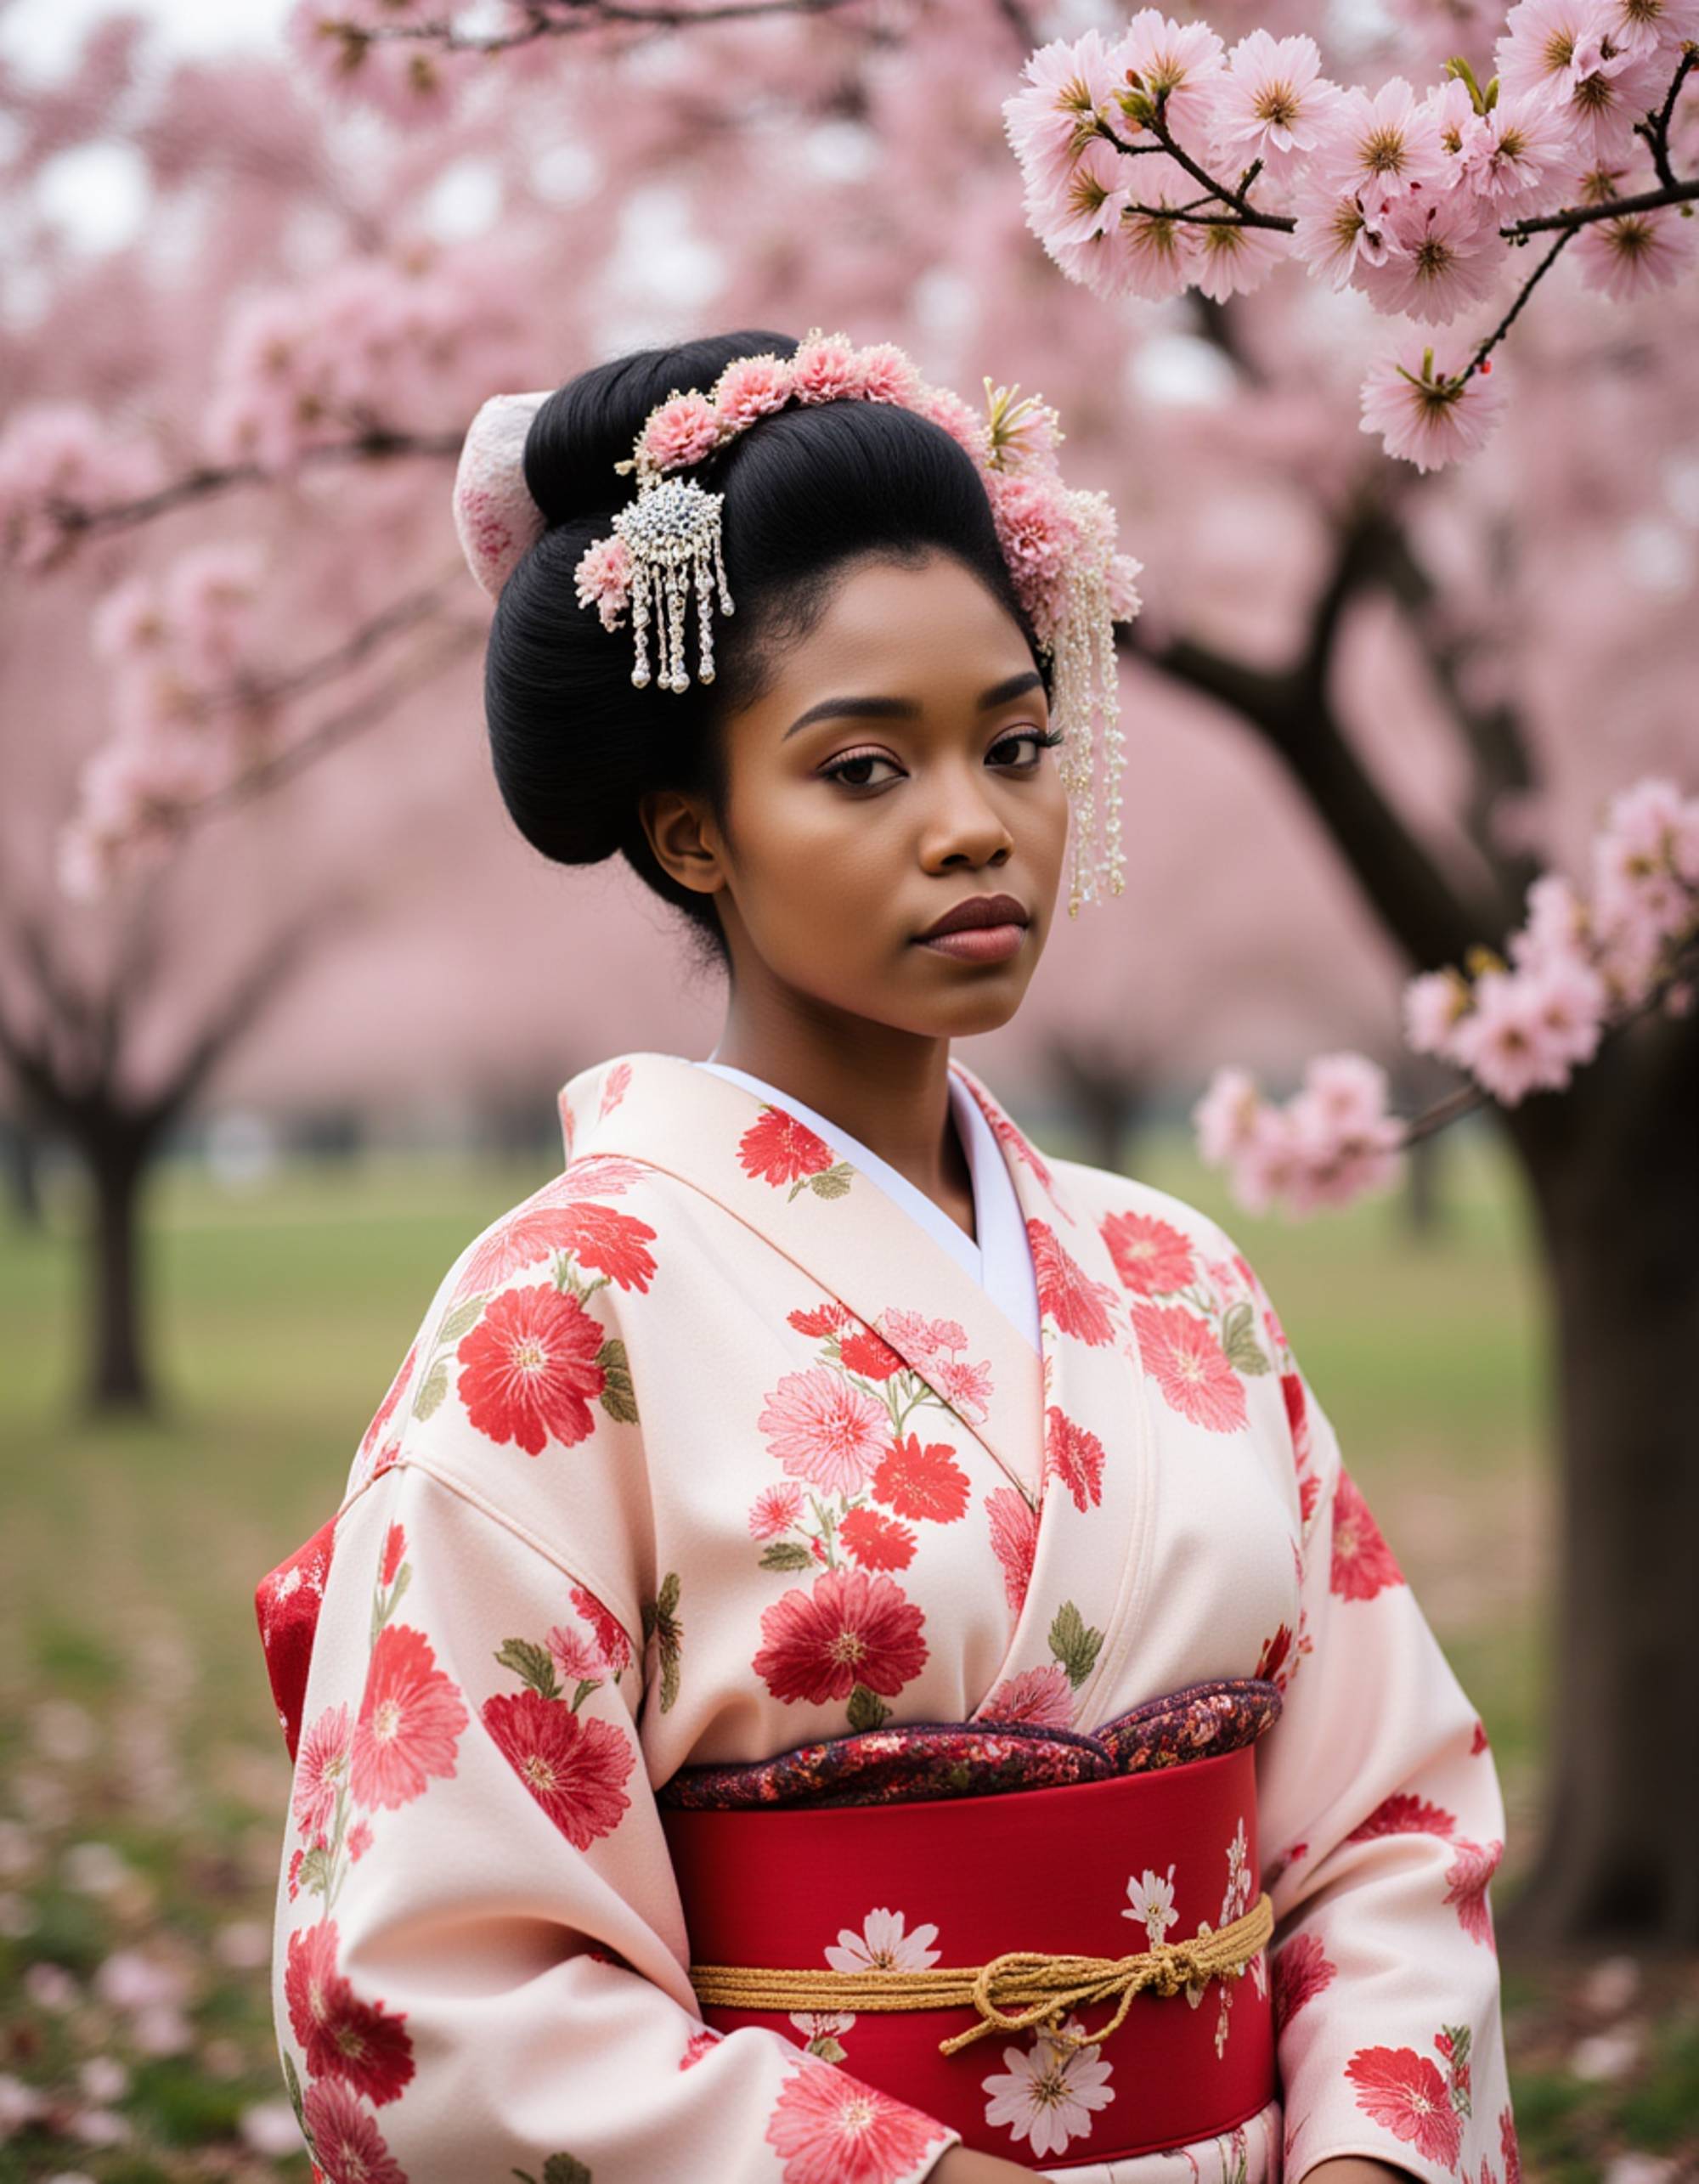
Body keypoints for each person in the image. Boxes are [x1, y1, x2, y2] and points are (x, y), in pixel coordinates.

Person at [254, 330, 1518, 2184]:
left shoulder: (1182, 1278)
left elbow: (1390, 1814)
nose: (973, 824)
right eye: (863, 768)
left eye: (1017, 745)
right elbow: (441, 1975)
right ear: (696, 831)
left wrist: (1360, 2153)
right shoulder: (558, 1317)